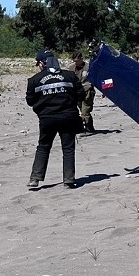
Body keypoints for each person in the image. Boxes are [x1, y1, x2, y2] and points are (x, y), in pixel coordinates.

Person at [25, 49, 85, 190]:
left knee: (43, 146)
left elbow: (30, 101)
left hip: (47, 119)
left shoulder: (34, 80)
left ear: (42, 63)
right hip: (68, 117)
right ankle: (69, 179)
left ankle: (35, 179)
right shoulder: (69, 76)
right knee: (68, 148)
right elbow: (81, 94)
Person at [68, 51, 96, 133]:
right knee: (81, 109)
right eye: (74, 61)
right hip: (77, 92)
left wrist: (104, 91)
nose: (75, 63)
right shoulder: (71, 68)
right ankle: (90, 126)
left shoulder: (89, 67)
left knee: (85, 111)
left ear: (81, 59)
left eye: (77, 61)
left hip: (88, 91)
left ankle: (86, 128)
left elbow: (97, 78)